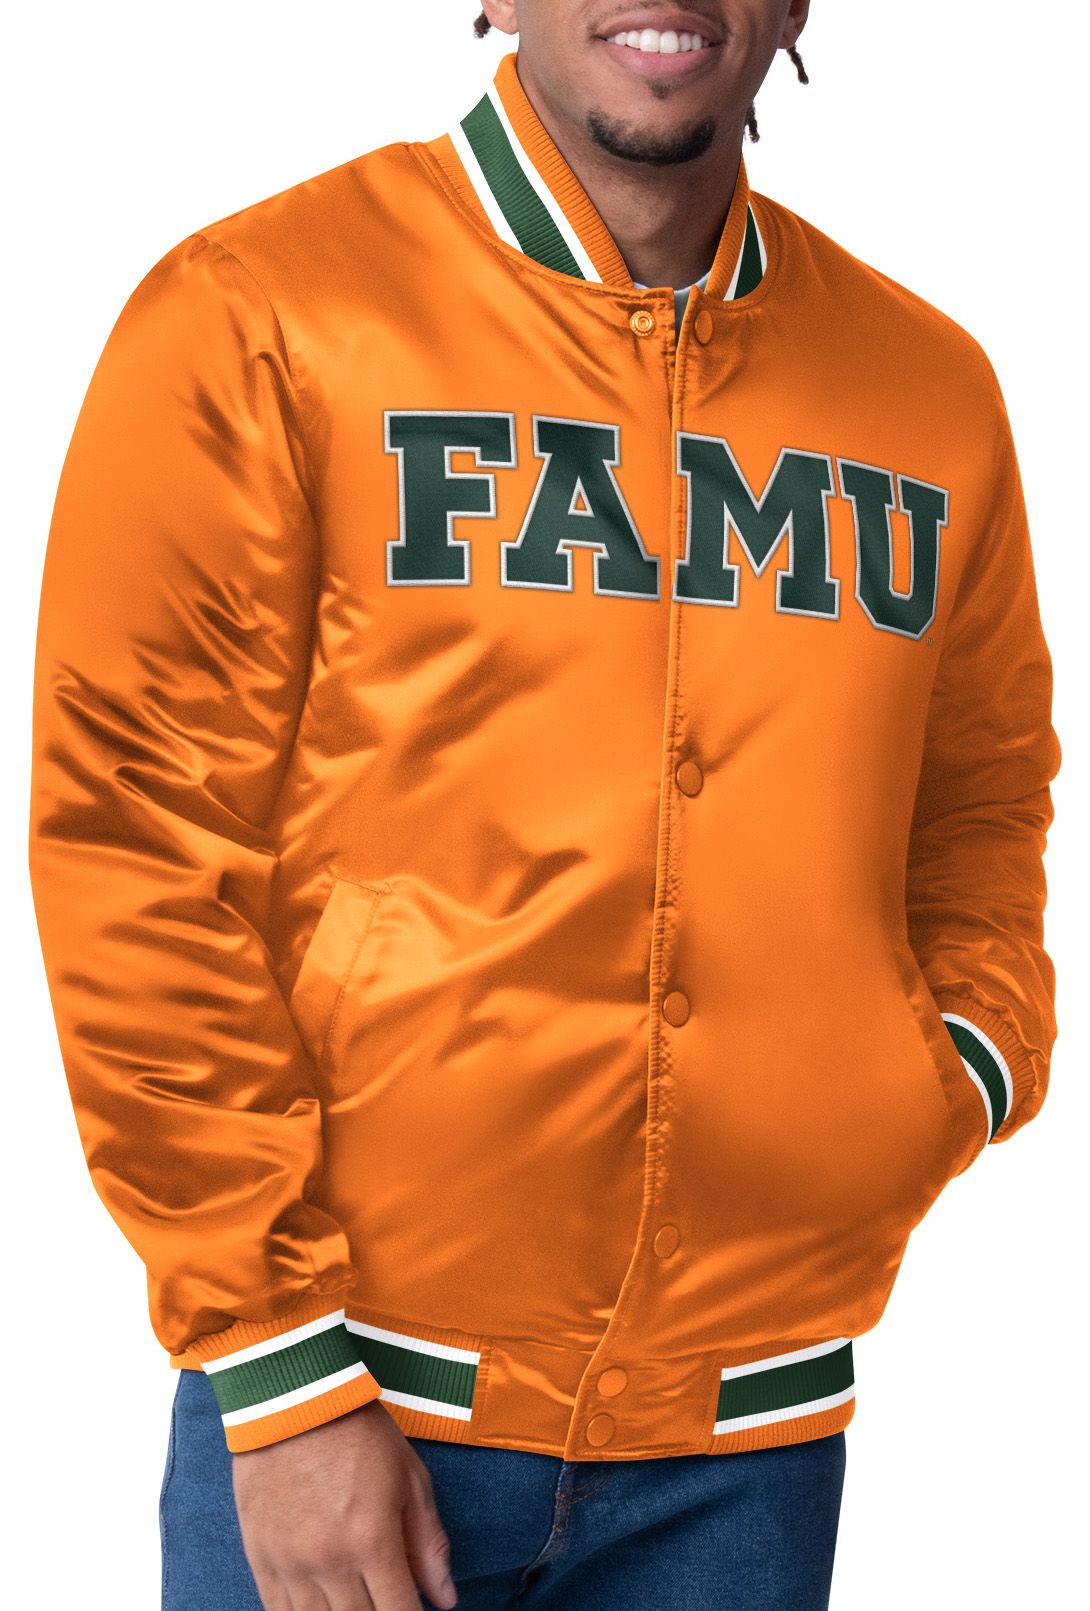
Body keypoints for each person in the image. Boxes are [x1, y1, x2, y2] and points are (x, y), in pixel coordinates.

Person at [28, 2, 1061, 1608]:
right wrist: (276, 1363)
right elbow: (136, 838)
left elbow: (981, 798)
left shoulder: (925, 387)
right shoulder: (261, 313)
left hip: (752, 1443)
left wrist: (943, 1075)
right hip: (350, 1393)